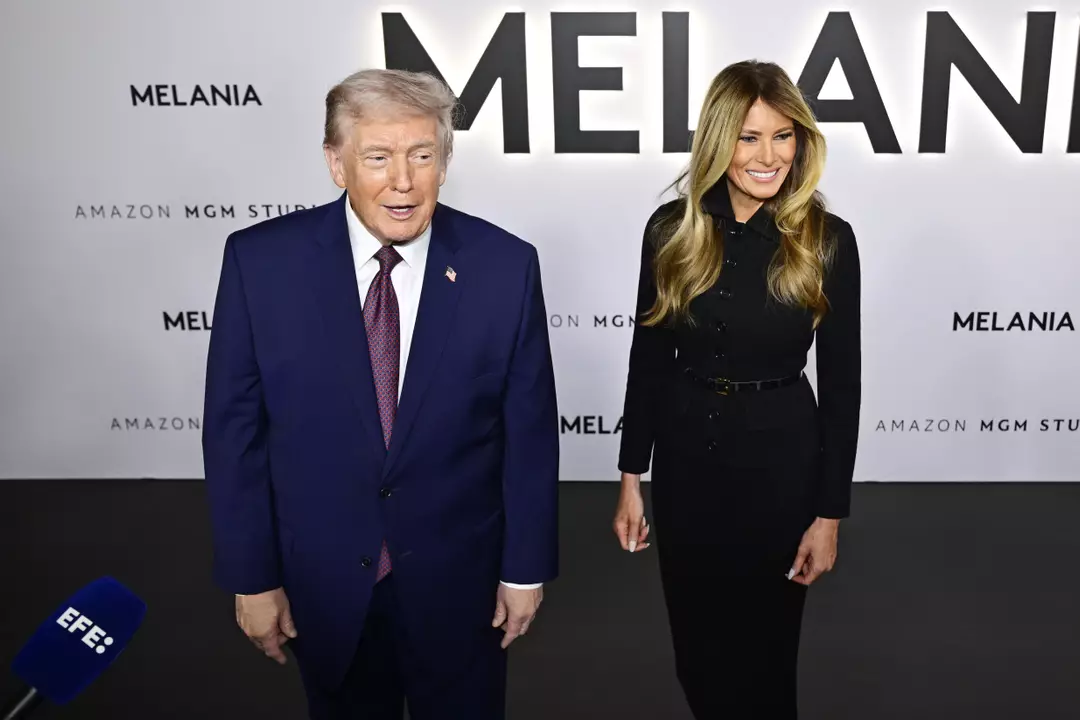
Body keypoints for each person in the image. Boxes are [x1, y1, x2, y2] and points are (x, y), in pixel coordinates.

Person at [202, 68, 559, 720]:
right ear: (336, 163)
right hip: (322, 587)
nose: (403, 181)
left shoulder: (505, 266)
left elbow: (529, 435)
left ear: (444, 163)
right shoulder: (261, 264)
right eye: (377, 158)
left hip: (462, 589)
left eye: (422, 155)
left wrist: (524, 569)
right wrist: (252, 578)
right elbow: (235, 436)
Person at [612, 60, 861, 717]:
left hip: (782, 474)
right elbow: (648, 360)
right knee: (696, 657)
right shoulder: (671, 230)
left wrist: (829, 515)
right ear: (720, 140)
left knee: (766, 659)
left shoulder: (827, 241)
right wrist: (632, 476)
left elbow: (843, 388)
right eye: (749, 137)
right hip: (687, 469)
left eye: (783, 136)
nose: (768, 156)